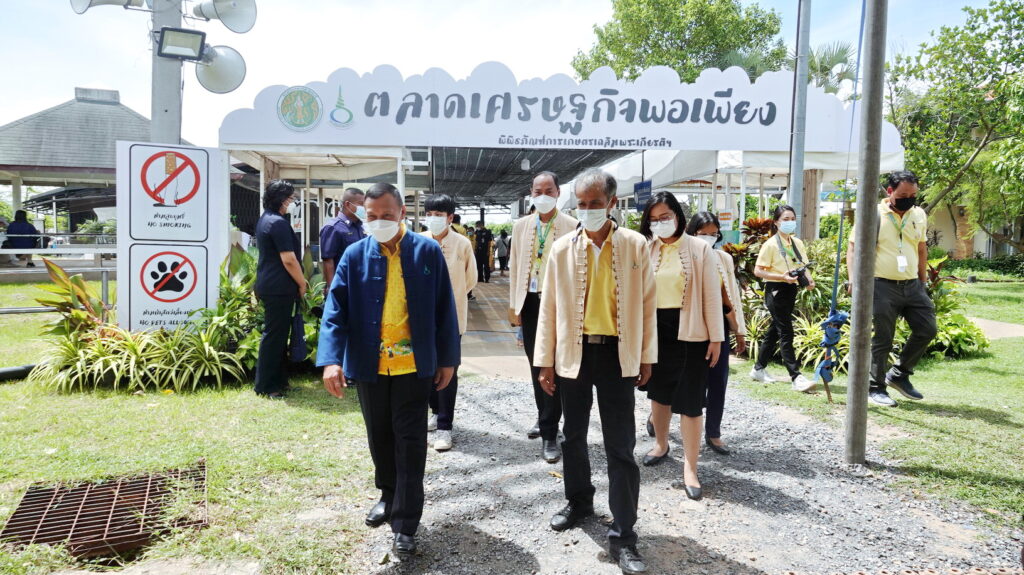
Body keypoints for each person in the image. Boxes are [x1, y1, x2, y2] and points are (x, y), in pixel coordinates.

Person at [318, 182, 460, 561]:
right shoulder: (354, 255)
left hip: (413, 367)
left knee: (410, 442)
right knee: (379, 436)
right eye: (372, 216)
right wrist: (331, 360)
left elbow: (444, 308)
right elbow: (335, 310)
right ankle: (388, 494)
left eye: (387, 215)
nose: (379, 221)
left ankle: (405, 523)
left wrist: (447, 359)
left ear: (402, 214)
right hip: (370, 366)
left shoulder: (427, 251)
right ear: (363, 215)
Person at [535, 168, 655, 575]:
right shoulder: (562, 249)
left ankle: (624, 535)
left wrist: (646, 356)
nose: (587, 210)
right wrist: (545, 360)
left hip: (618, 357)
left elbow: (648, 306)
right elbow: (549, 308)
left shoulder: (635, 245)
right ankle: (579, 501)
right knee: (573, 436)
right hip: (574, 354)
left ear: (612, 203)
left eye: (595, 204)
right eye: (582, 204)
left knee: (620, 445)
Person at [639, 195, 723, 501]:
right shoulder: (646, 248)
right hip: (655, 331)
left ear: (677, 215)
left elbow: (712, 296)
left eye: (665, 216)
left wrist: (716, 337)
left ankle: (690, 466)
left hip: (691, 332)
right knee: (658, 393)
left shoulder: (700, 249)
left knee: (690, 401)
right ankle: (661, 444)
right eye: (654, 219)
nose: (660, 223)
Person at [847, 170, 936, 407]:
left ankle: (899, 375)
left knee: (927, 329)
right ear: (890, 191)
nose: (909, 199)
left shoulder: (918, 214)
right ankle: (875, 388)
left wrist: (922, 282)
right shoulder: (873, 213)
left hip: (912, 285)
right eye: (903, 195)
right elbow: (853, 247)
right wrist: (853, 280)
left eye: (913, 195)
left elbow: (921, 248)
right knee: (883, 339)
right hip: (881, 285)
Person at [509, 171, 578, 463]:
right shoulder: (521, 226)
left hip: (561, 306)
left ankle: (551, 429)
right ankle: (545, 418)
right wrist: (514, 309)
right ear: (531, 193)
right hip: (530, 303)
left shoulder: (573, 226)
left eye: (549, 191)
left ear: (558, 192)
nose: (543, 196)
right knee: (537, 364)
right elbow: (514, 267)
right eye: (538, 191)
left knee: (557, 365)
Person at [687, 211, 747, 456]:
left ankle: (713, 432)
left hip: (719, 326)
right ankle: (659, 417)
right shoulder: (682, 256)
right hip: (689, 326)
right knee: (684, 380)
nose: (709, 238)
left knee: (718, 380)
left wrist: (739, 331)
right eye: (704, 233)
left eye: (714, 234)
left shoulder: (723, 259)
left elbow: (732, 296)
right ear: (692, 232)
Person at [421, 194, 478, 451]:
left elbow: (470, 279)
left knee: (448, 369)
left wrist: (450, 300)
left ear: (450, 217)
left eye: (438, 215)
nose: (433, 219)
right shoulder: (418, 241)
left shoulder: (462, 244)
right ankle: (435, 412)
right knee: (426, 368)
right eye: (429, 214)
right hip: (422, 318)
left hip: (452, 318)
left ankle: (445, 426)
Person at [750, 205, 817, 392]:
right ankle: (796, 376)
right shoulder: (770, 244)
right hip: (776, 290)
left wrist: (809, 280)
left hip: (790, 289)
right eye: (785, 219)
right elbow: (758, 271)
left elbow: (803, 266)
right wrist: (781, 276)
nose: (790, 222)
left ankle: (758, 368)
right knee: (786, 332)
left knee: (775, 330)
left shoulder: (797, 243)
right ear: (776, 222)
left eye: (792, 219)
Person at [254, 181, 307, 399]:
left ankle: (279, 381)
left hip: (271, 285)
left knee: (279, 335)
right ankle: (266, 385)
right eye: (291, 198)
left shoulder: (266, 219)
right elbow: (289, 259)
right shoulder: (277, 223)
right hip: (279, 287)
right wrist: (302, 283)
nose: (292, 202)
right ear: (282, 200)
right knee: (275, 336)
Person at [319, 188, 366, 291]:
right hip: (343, 285)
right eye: (361, 204)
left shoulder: (360, 227)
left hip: (360, 284)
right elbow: (328, 260)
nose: (364, 208)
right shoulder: (333, 227)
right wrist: (332, 288)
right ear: (347, 204)